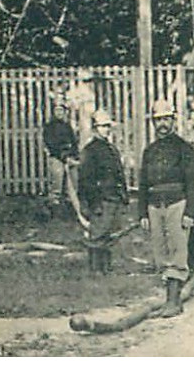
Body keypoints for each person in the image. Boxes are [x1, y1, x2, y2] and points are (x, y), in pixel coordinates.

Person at [137, 98, 194, 318]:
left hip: (177, 204)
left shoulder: (184, 149)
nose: (162, 124)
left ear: (173, 120)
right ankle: (168, 300)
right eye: (158, 120)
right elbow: (143, 185)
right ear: (153, 123)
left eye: (166, 119)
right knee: (160, 253)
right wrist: (142, 213)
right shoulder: (150, 151)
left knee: (177, 252)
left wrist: (190, 213)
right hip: (155, 206)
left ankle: (174, 302)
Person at [78, 110, 128, 275]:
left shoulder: (110, 148)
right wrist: (94, 203)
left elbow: (118, 173)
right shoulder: (90, 150)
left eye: (108, 126)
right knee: (97, 235)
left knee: (108, 234)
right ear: (95, 128)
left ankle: (106, 267)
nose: (107, 129)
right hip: (100, 198)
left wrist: (123, 195)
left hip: (113, 196)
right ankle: (95, 269)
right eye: (103, 126)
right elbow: (86, 180)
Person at [42, 95, 83, 223]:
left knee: (72, 184)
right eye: (57, 110)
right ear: (54, 112)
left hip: (69, 157)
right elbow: (50, 144)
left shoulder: (67, 126)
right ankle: (54, 213)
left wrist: (74, 156)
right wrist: (62, 156)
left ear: (65, 112)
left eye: (62, 110)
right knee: (57, 184)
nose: (59, 113)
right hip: (57, 157)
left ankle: (71, 213)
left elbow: (74, 142)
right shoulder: (49, 127)